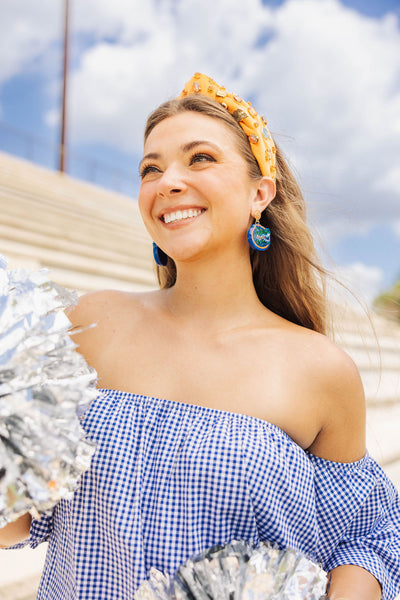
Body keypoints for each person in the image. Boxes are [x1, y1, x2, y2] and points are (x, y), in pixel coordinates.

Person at [1, 72, 400, 600]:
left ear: (261, 193)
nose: (167, 181)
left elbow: (367, 536)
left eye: (200, 159)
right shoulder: (89, 323)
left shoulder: (319, 369)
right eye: (150, 168)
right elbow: (23, 518)